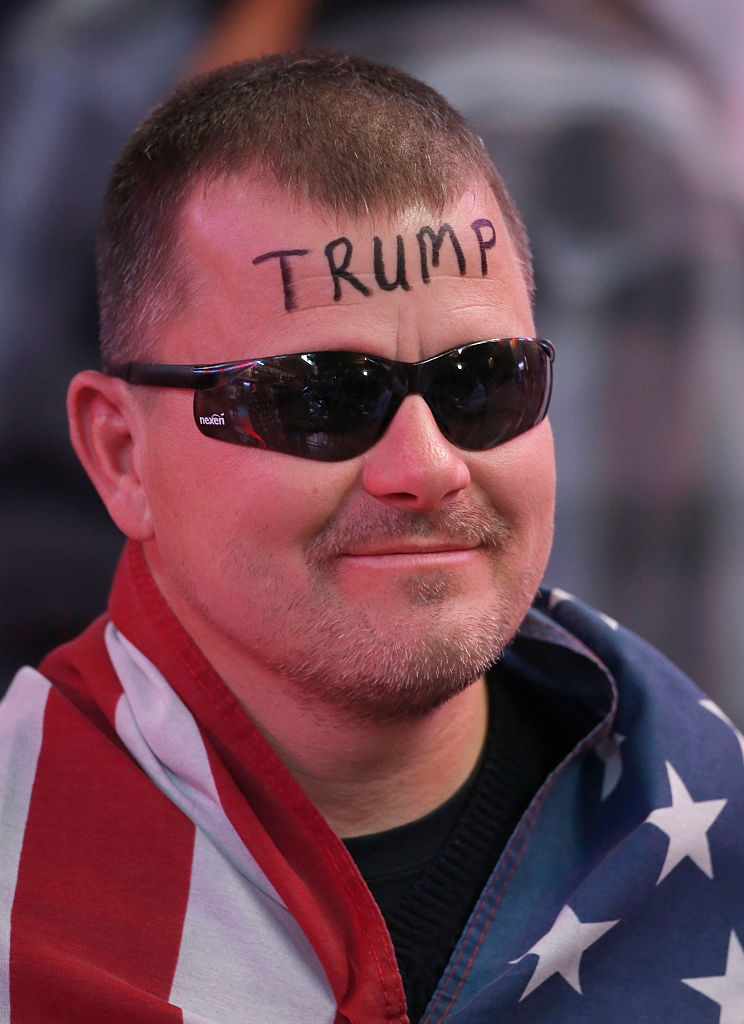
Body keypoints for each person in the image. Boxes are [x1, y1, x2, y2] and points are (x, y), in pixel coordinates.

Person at [1, 51, 742, 1024]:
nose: (427, 466)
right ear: (120, 453)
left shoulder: (714, 823)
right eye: (320, 400)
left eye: (486, 383)